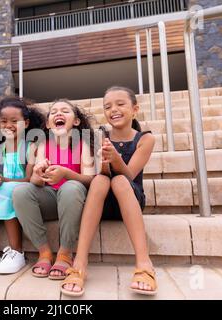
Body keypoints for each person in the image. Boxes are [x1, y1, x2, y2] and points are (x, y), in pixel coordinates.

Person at [60, 86, 157, 296]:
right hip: (101, 202)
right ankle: (80, 263)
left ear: (135, 109)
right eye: (107, 106)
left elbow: (130, 175)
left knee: (120, 181)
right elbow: (98, 175)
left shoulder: (145, 139)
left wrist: (116, 158)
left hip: (129, 199)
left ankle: (144, 263)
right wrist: (104, 164)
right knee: (101, 181)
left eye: (120, 104)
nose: (114, 109)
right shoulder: (98, 136)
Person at [13, 99, 95, 280]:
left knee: (70, 187)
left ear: (76, 121)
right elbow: (37, 183)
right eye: (54, 112)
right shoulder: (43, 146)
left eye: (65, 111)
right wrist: (37, 173)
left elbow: (90, 180)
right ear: (49, 124)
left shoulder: (83, 145)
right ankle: (44, 252)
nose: (59, 114)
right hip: (50, 198)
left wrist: (66, 173)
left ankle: (65, 253)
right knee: (20, 191)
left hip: (73, 199)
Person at [0, 97, 45, 274]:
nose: (9, 125)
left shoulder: (31, 147)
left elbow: (30, 179)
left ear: (26, 123)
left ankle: (17, 251)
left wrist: (4, 182)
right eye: (4, 121)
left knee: (9, 190)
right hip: (4, 189)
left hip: (24, 191)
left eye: (15, 121)